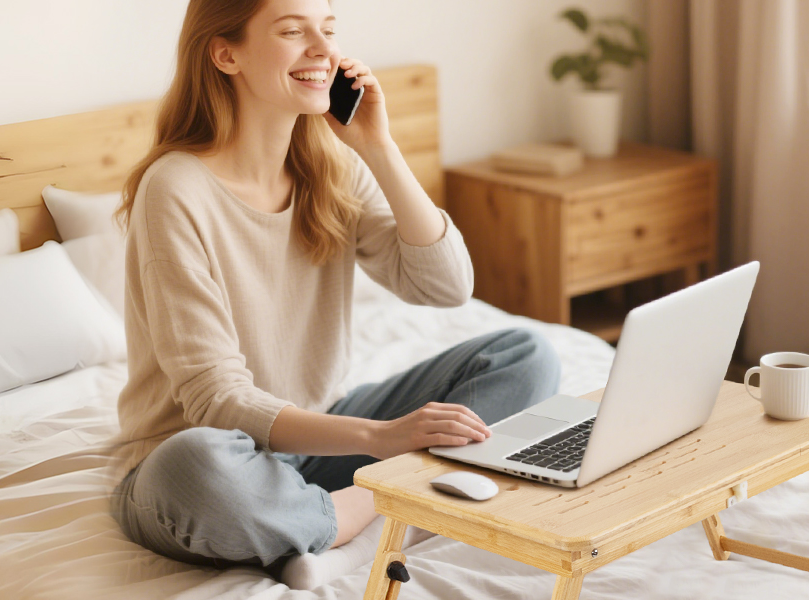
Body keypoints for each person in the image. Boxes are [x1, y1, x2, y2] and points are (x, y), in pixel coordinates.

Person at [105, 0, 561, 580]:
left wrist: (378, 146)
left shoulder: (332, 164)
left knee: (524, 356)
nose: (323, 49)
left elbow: (448, 287)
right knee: (192, 468)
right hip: (212, 455)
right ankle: (380, 510)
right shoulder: (175, 188)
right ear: (226, 54)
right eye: (293, 31)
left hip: (320, 436)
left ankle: (350, 513)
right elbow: (215, 400)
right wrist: (381, 438)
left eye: (329, 30)